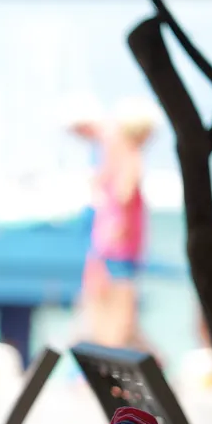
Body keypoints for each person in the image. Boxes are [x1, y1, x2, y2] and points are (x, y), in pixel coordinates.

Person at [71, 97, 157, 351]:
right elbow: (124, 193)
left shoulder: (115, 149)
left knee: (108, 304)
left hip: (110, 239)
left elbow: (116, 190)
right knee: (118, 306)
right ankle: (115, 352)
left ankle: (113, 351)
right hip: (119, 241)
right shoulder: (128, 152)